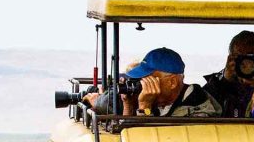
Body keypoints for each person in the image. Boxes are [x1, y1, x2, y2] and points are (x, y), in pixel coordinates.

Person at [84, 48, 220, 117]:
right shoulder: (160, 102)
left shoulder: (199, 110)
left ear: (172, 82)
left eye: (147, 78)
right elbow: (124, 140)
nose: (141, 84)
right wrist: (128, 105)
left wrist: (145, 106)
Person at [203, 31, 254, 118]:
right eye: (241, 57)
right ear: (231, 58)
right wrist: (224, 81)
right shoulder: (219, 88)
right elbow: (200, 109)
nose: (247, 64)